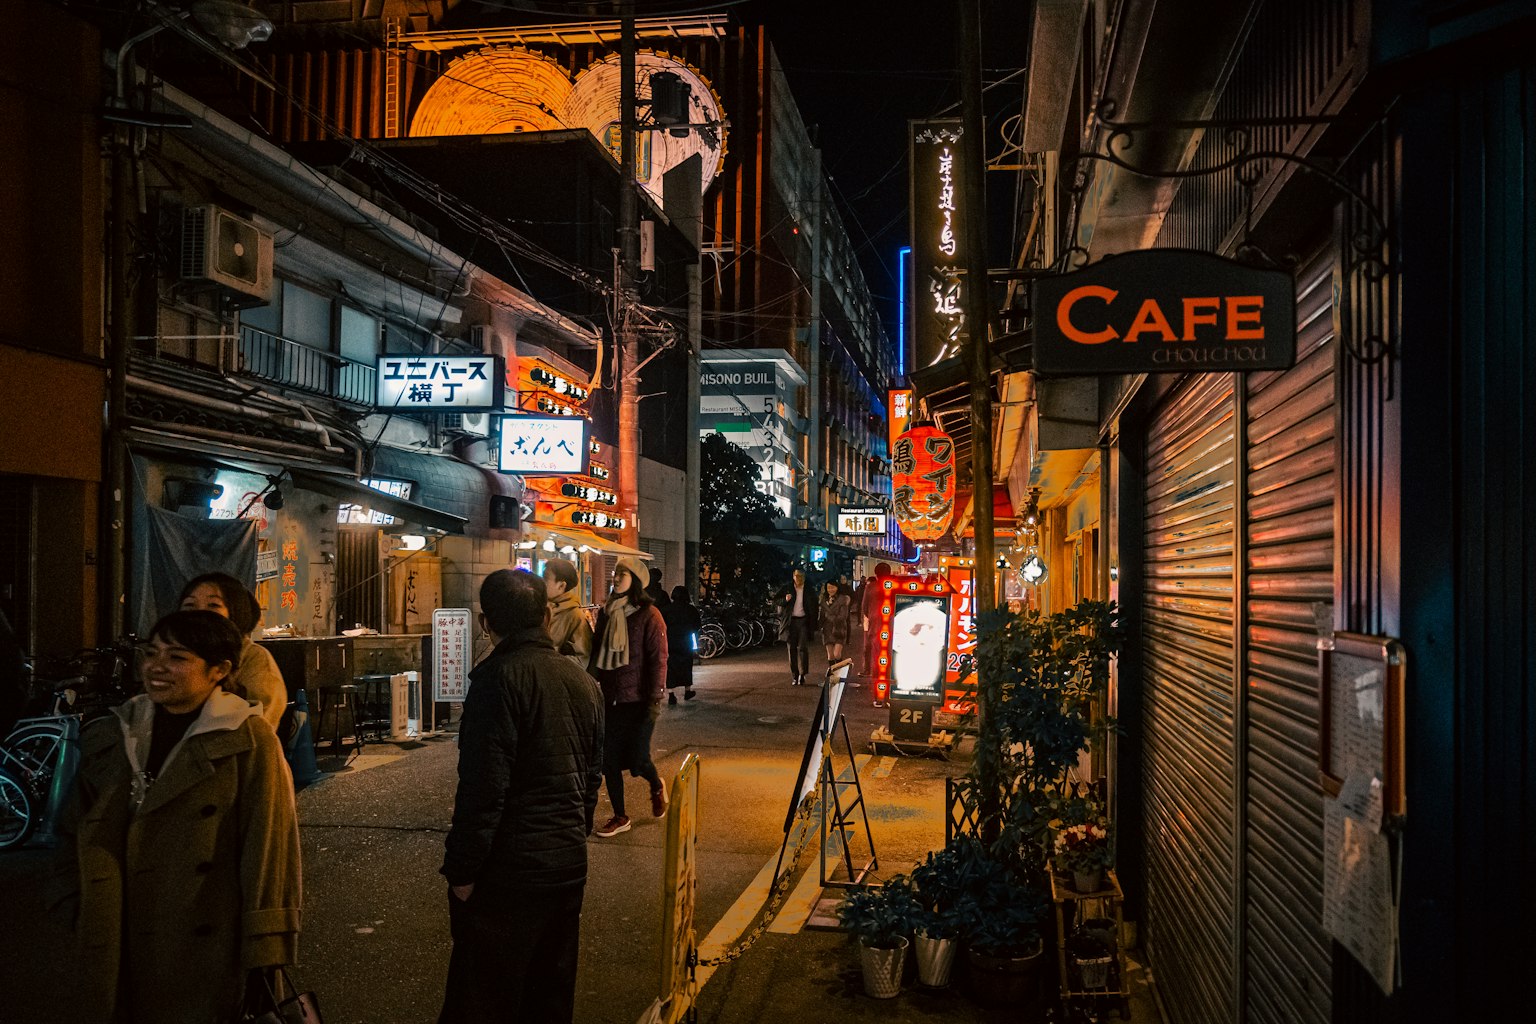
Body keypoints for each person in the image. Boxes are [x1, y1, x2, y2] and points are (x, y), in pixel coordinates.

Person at [49, 610, 301, 1023]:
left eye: (177, 657)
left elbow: (271, 850)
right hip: (116, 938)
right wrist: (74, 904)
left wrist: (266, 953)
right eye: (151, 653)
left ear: (219, 670)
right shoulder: (117, 733)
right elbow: (70, 829)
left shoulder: (247, 738)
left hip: (206, 949)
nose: (156, 667)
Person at [438, 569, 602, 1024]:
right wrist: (573, 834)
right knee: (549, 1000)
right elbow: (591, 777)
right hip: (566, 867)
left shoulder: (497, 680)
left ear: (486, 624)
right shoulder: (584, 684)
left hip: (508, 874)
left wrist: (462, 870)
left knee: (483, 1002)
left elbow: (483, 788)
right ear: (547, 617)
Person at [589, 555, 668, 838]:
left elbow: (658, 659)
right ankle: (620, 816)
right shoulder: (607, 612)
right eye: (615, 573)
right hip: (611, 697)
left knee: (637, 761)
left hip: (639, 700)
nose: (616, 577)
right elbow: (597, 654)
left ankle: (656, 784)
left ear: (634, 580)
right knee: (608, 760)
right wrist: (588, 684)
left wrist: (654, 698)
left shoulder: (649, 615)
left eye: (622, 573)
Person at [178, 571, 286, 731]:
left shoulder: (254, 659)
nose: (199, 614)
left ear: (236, 612)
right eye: (189, 605)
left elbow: (255, 728)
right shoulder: (173, 654)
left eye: (213, 605)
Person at [544, 559, 593, 670]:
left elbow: (582, 659)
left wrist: (548, 662)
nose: (541, 582)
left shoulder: (575, 616)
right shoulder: (539, 608)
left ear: (561, 586)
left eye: (546, 578)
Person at [778, 568, 819, 686]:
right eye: (796, 576)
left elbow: (814, 607)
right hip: (790, 622)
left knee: (803, 648)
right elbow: (776, 600)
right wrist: (785, 599)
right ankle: (795, 675)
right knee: (791, 649)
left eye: (801, 576)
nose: (798, 579)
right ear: (793, 576)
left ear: (804, 578)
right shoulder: (787, 588)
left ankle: (803, 674)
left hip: (803, 621)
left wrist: (814, 623)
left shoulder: (809, 590)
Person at [662, 585, 701, 704]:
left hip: (671, 641)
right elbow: (697, 625)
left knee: (671, 667)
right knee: (686, 665)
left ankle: (671, 694)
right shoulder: (691, 609)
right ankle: (687, 690)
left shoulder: (666, 609)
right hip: (686, 641)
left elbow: (662, 626)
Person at [821, 579, 855, 665]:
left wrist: (829, 616)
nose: (830, 590)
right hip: (827, 629)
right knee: (830, 655)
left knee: (837, 654)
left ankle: (840, 673)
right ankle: (833, 676)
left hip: (839, 629)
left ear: (837, 588)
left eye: (832, 587)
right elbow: (821, 614)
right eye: (828, 588)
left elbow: (843, 616)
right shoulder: (824, 600)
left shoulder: (842, 599)